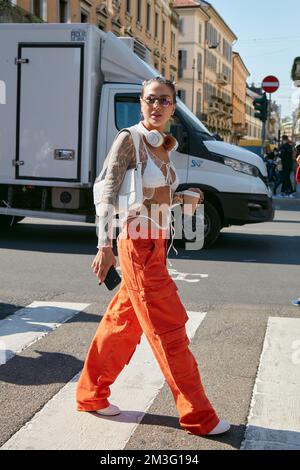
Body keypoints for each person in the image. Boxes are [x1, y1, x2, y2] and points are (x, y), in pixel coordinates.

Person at [76, 77, 230, 436]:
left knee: (121, 324)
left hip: (155, 244)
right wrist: (104, 246)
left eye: (164, 101)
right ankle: (199, 416)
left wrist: (182, 197)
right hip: (137, 244)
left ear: (174, 107)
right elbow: (108, 192)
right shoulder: (129, 139)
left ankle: (91, 394)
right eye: (150, 100)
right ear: (140, 103)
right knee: (168, 329)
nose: (156, 106)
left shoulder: (163, 145)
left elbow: (146, 196)